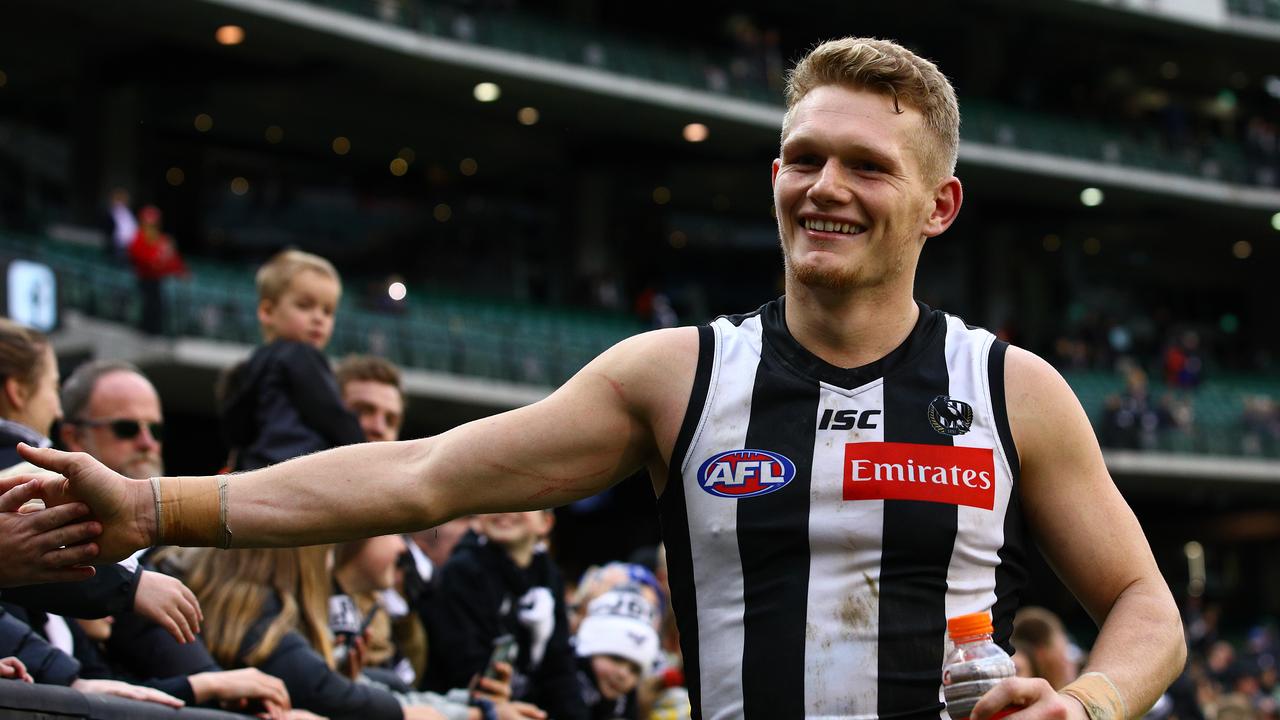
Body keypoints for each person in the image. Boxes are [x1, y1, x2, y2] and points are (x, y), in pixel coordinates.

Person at [9, 36, 1185, 720]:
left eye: (865, 166)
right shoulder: (676, 376)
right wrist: (150, 508)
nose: (822, 185)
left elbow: (1146, 612)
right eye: (801, 156)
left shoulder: (1008, 386)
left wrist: (1085, 706)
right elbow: (420, 476)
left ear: (938, 206)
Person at [427, 511, 586, 720]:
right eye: (495, 501)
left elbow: (559, 667)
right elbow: (467, 672)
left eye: (522, 502)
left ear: (546, 523)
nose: (505, 510)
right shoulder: (461, 571)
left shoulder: (548, 575)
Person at [219, 249, 365, 471]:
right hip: (294, 470)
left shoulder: (252, 364)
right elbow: (332, 416)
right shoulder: (301, 354)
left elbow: (237, 430)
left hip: (254, 471)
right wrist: (365, 450)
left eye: (328, 311)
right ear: (267, 311)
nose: (318, 318)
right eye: (304, 305)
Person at [572, 585, 660, 720]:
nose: (623, 674)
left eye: (634, 670)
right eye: (616, 658)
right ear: (589, 651)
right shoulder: (555, 687)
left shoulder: (626, 703)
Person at [127, 204, 188, 335]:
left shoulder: (162, 240)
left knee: (158, 305)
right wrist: (157, 261)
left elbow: (174, 261)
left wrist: (181, 271)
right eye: (148, 223)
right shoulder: (138, 238)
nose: (151, 227)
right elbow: (140, 257)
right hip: (143, 277)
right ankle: (145, 329)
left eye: (154, 224)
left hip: (157, 279)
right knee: (147, 304)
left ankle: (154, 331)